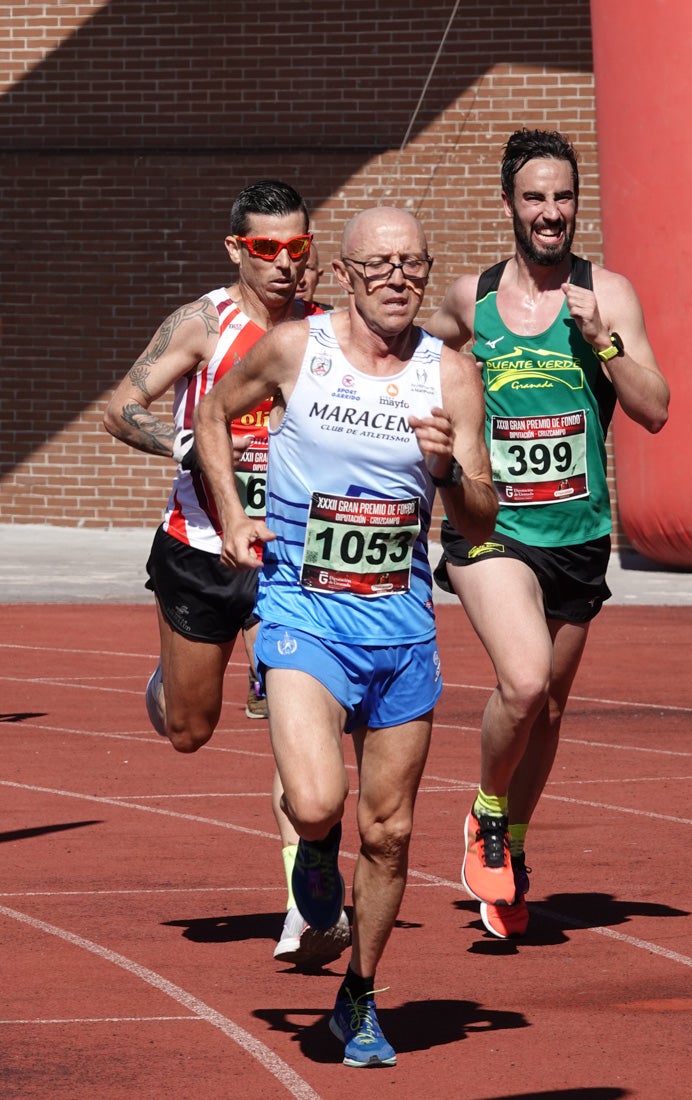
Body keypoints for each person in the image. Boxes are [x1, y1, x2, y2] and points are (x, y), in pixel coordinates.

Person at [193, 206, 498, 1068]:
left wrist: (448, 468)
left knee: (393, 832)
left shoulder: (452, 376)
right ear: (347, 275)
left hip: (400, 627)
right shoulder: (297, 350)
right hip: (302, 610)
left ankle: (358, 995)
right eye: (380, 265)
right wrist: (233, 517)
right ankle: (314, 853)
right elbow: (215, 415)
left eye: (413, 264)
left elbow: (480, 515)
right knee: (320, 802)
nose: (398, 279)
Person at [425, 128, 670, 940]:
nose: (550, 212)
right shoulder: (471, 298)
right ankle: (486, 818)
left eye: (562, 197)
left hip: (577, 532)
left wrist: (605, 341)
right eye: (534, 197)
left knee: (550, 710)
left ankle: (513, 849)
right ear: (509, 205)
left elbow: (654, 408)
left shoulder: (607, 295)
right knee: (523, 684)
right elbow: (416, 366)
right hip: (492, 526)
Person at [103, 179, 350, 966]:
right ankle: (173, 683)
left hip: (288, 561)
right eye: (267, 249)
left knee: (297, 736)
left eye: (297, 248)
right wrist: (178, 444)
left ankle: (304, 906)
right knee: (190, 731)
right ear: (237, 249)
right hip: (198, 550)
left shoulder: (326, 331)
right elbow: (121, 405)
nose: (284, 264)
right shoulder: (204, 324)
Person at [296, 240, 330, 308]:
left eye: (307, 268)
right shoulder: (268, 318)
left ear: (318, 276)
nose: (301, 280)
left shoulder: (330, 317)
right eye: (294, 268)